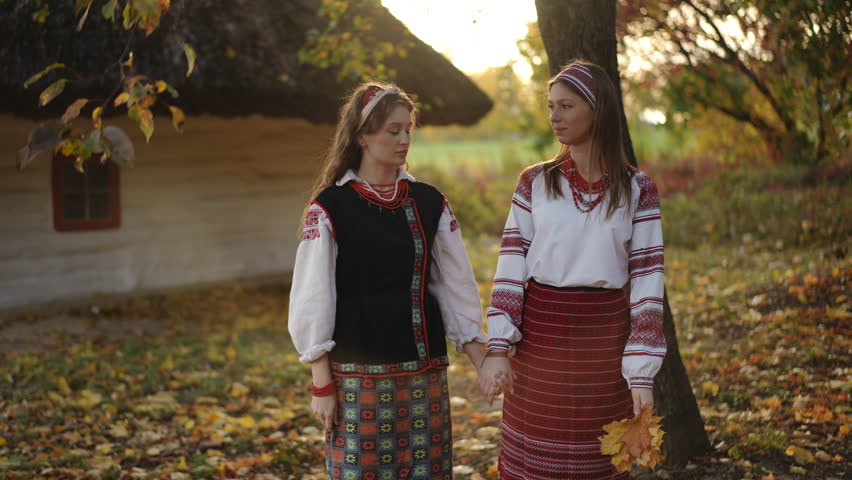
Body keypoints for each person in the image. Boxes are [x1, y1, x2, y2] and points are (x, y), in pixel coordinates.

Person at [288, 82, 487, 480]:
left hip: (423, 373)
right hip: (355, 377)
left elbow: (454, 286)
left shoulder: (429, 202)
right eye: (392, 130)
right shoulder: (330, 208)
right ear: (362, 135)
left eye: (408, 129)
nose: (404, 139)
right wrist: (321, 384)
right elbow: (313, 298)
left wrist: (484, 364)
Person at [478, 60, 667, 480]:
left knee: (597, 460)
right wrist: (498, 347)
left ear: (597, 110)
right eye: (551, 107)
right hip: (541, 334)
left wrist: (641, 372)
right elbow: (510, 266)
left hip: (603, 339)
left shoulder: (638, 189)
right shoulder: (535, 183)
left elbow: (648, 284)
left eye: (566, 106)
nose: (554, 117)